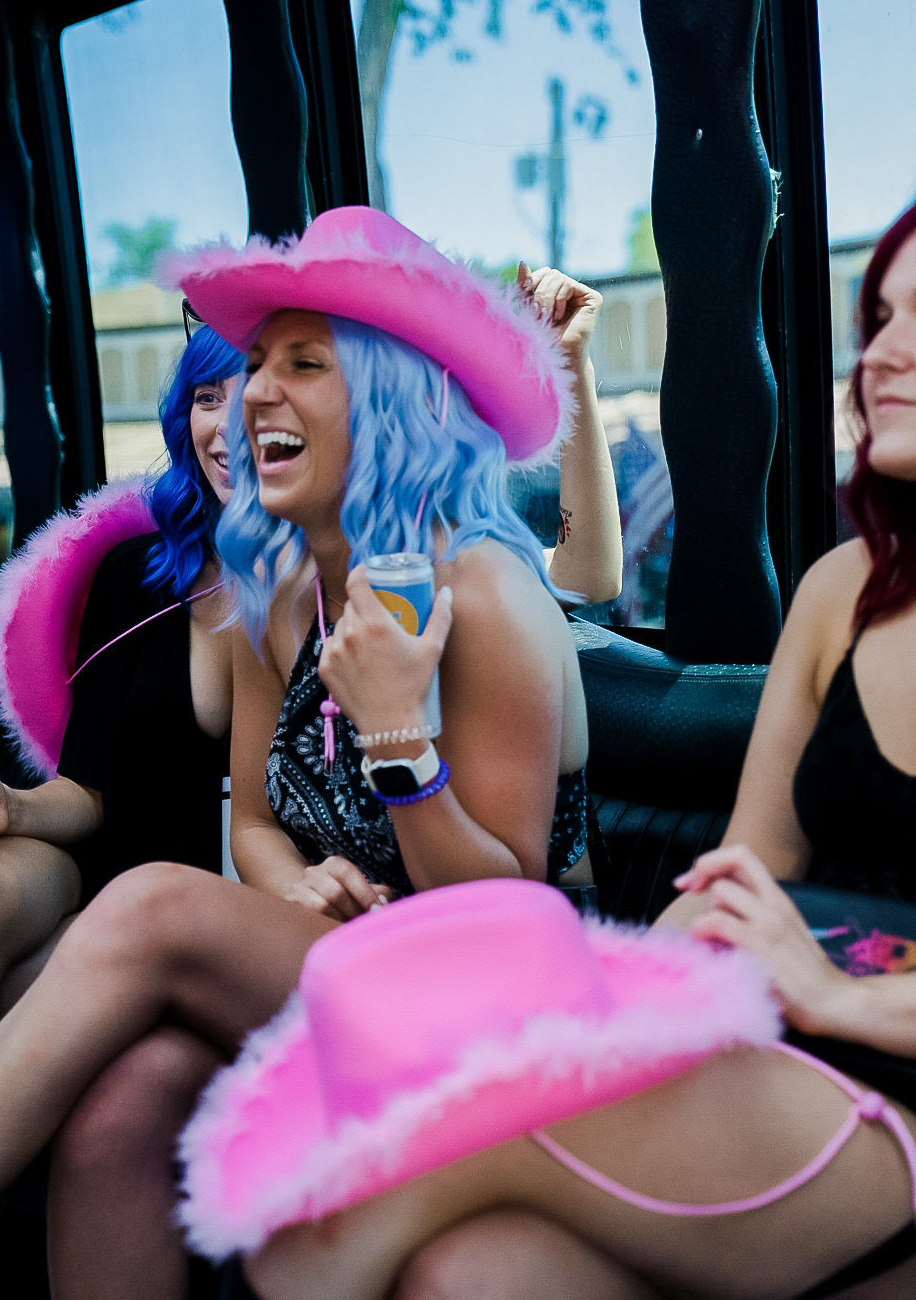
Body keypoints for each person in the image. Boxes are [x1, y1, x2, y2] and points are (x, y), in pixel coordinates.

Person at [0, 205, 615, 1299]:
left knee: (155, 904)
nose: (256, 393)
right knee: (125, 1101)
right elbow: (256, 820)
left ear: (391, 396)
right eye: (253, 363)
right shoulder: (279, 588)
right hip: (346, 965)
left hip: (520, 991)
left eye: (302, 364)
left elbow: (506, 909)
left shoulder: (483, 593)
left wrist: (400, 737)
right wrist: (294, 879)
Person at [204, 200, 916, 1300]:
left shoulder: (482, 590)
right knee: (469, 1272)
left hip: (874, 1070)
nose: (882, 353)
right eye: (877, 316)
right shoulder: (841, 594)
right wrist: (638, 987)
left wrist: (837, 999)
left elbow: (583, 577)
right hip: (784, 1052)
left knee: (330, 1216)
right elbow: (741, 875)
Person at [0, 324, 241, 1224]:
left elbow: (573, 583)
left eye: (249, 392)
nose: (226, 424)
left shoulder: (336, 578)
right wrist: (12, 807)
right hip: (102, 880)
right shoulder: (138, 577)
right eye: (205, 397)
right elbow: (91, 794)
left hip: (211, 910)